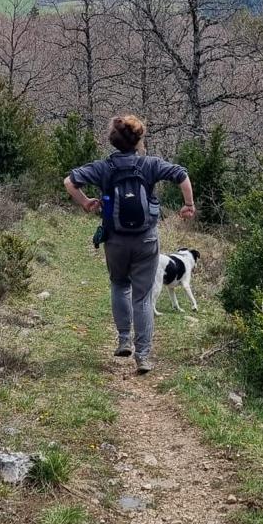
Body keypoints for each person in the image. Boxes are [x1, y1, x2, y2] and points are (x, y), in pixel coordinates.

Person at [64, 114, 195, 374]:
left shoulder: (103, 168)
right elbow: (181, 175)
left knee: (120, 284)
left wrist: (86, 202)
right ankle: (143, 356)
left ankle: (124, 339)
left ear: (113, 141)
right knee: (143, 296)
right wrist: (189, 205)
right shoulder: (150, 164)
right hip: (146, 239)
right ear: (138, 139)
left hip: (115, 239)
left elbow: (69, 182)